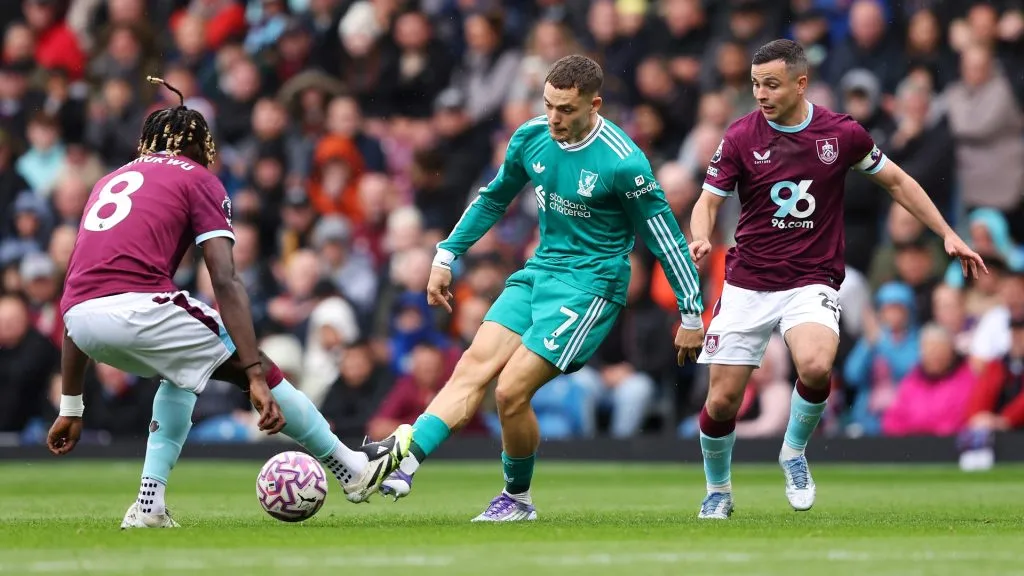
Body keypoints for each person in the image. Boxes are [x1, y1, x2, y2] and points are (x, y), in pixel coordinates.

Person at [45, 76, 411, 529]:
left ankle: (148, 505)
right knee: (254, 364)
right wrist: (253, 374)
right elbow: (225, 277)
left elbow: (79, 296)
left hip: (80, 321)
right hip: (140, 308)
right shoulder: (199, 179)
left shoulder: (105, 181)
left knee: (181, 377)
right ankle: (351, 468)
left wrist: (71, 408)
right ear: (198, 146)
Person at [377, 54, 706, 521]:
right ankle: (404, 463)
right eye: (549, 104)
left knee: (510, 391)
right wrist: (446, 255)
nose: (554, 117)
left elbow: (665, 237)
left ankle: (516, 498)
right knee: (473, 363)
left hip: (591, 286)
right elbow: (493, 199)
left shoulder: (623, 162)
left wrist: (691, 314)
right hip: (540, 270)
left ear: (594, 105)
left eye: (566, 109)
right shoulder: (531, 136)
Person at [689, 40, 986, 519]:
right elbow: (706, 202)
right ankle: (718, 489)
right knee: (722, 400)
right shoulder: (741, 136)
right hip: (749, 281)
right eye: (754, 84)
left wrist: (948, 233)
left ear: (800, 83)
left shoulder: (841, 134)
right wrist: (701, 237)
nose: (760, 94)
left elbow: (897, 182)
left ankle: (793, 451)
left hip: (812, 277)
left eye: (771, 84)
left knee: (816, 364)